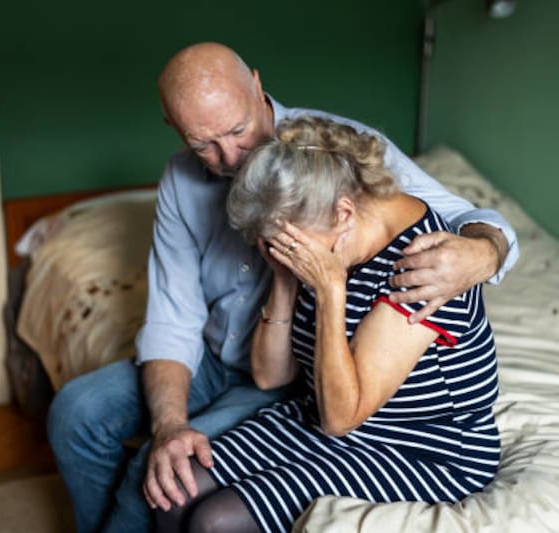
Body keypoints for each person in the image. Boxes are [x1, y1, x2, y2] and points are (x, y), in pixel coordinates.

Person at [47, 42, 517, 533]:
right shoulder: (240, 215)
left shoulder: (343, 160)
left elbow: (462, 218)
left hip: (388, 429)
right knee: (84, 418)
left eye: (236, 131)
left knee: (167, 480)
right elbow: (174, 319)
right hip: (254, 366)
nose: (228, 157)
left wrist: (484, 252)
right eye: (202, 143)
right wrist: (170, 423)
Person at [154, 116, 501, 533]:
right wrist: (283, 278)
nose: (289, 256)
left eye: (292, 249)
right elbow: (270, 375)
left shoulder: (421, 266)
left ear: (344, 212)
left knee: (216, 521)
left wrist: (330, 292)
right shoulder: (313, 236)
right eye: (276, 247)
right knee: (177, 492)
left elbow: (342, 418)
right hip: (321, 414)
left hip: (422, 448)